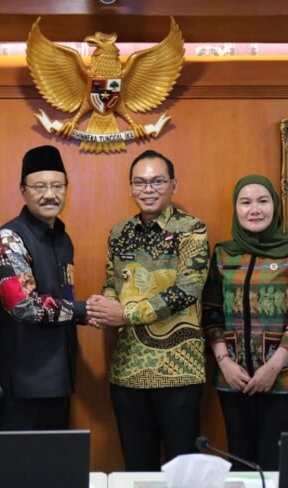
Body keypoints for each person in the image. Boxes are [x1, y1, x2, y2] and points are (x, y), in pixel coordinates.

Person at [87, 150, 209, 471]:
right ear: (130, 187)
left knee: (182, 474)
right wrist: (103, 307)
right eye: (140, 182)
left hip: (179, 372)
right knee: (137, 469)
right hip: (128, 372)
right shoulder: (118, 233)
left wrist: (124, 315)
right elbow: (112, 284)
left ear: (173, 185)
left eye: (157, 181)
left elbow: (187, 289)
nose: (148, 189)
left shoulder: (192, 230)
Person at [203, 175, 288, 471]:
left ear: (275, 206)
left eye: (262, 201)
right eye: (246, 202)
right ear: (236, 209)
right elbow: (211, 312)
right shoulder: (223, 254)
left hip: (284, 380)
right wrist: (224, 362)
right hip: (234, 380)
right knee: (242, 467)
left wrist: (273, 367)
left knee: (278, 467)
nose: (254, 209)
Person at [0, 145, 89, 430]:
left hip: (59, 376)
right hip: (22, 380)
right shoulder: (9, 238)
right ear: (23, 190)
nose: (50, 194)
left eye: (58, 185)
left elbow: (63, 298)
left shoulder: (63, 238)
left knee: (54, 469)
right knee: (20, 470)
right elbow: (23, 305)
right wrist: (85, 310)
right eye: (40, 186)